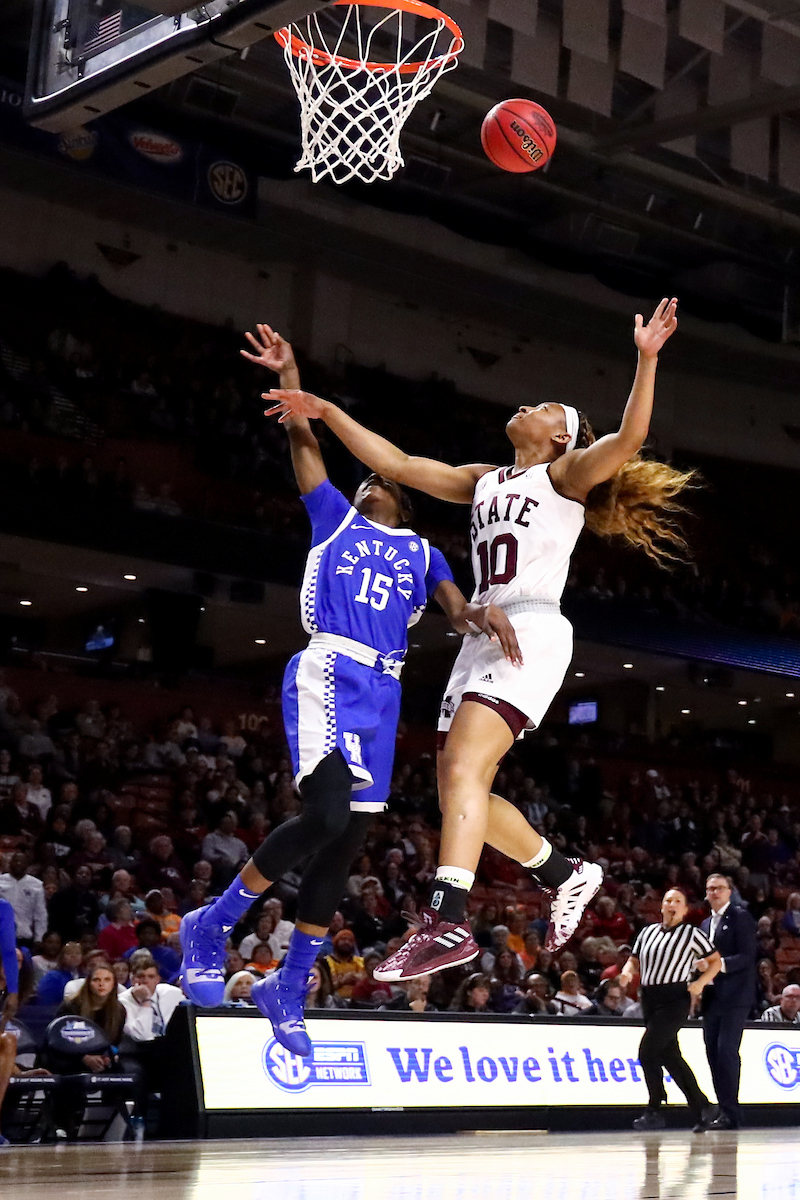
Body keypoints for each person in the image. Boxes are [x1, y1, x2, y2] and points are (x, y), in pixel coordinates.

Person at [267, 299, 688, 979]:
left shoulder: (565, 476)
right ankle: (562, 871)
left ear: (562, 438)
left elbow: (630, 441)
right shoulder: (485, 480)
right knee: (456, 790)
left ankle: (447, 920)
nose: (532, 405)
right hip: (483, 634)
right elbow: (400, 465)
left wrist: (646, 358)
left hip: (532, 627)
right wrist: (325, 410)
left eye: (549, 406)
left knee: (465, 770)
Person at [180, 323, 516, 1057]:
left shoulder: (424, 551)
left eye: (382, 482)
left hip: (384, 692)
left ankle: (288, 986)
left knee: (346, 842)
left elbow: (457, 612)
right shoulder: (333, 520)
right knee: (326, 810)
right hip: (330, 666)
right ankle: (214, 922)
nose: (371, 484)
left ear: (404, 502)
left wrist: (480, 615)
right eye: (365, 479)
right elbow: (305, 443)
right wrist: (293, 371)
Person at [620, 888, 720, 1132]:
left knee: (647, 1052)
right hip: (649, 998)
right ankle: (703, 1106)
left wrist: (699, 982)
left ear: (684, 909)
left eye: (678, 901)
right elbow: (634, 959)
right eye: (668, 900)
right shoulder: (647, 932)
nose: (672, 904)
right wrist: (626, 971)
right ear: (662, 906)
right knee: (671, 1058)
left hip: (675, 999)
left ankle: (655, 1109)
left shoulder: (692, 934)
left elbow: (715, 961)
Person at [697, 872, 757, 1131]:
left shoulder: (740, 917)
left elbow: (747, 955)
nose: (714, 892)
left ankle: (732, 1112)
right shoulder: (704, 924)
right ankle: (722, 1110)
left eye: (719, 888)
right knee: (712, 1052)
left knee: (726, 1051)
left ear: (729, 891)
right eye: (710, 888)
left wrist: (716, 965)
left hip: (735, 996)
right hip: (712, 997)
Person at [0, 852, 48, 949]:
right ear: (10, 863)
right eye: (15, 861)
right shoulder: (1, 881)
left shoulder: (36, 885)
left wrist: (39, 938)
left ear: (27, 865)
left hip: (24, 936)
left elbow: (40, 914)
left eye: (21, 862)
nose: (18, 864)